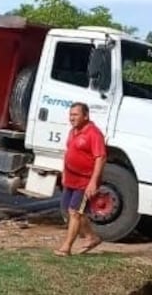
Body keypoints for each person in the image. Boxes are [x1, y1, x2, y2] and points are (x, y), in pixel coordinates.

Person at [54, 102, 106, 257]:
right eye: (71, 115)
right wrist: (64, 173)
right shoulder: (73, 132)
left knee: (75, 212)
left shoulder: (94, 133)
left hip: (84, 181)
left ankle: (66, 247)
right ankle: (91, 237)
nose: (72, 118)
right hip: (70, 179)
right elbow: (68, 152)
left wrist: (93, 182)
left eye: (75, 115)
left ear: (86, 116)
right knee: (70, 211)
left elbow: (100, 158)